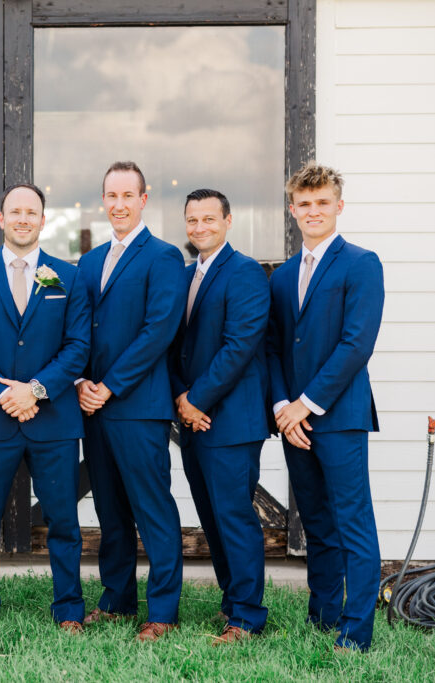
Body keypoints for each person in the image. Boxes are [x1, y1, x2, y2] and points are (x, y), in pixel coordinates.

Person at [0, 183, 89, 633]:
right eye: (16, 211)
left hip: (54, 420)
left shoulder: (68, 276)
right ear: (2, 219)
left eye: (33, 211)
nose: (24, 218)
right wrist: (3, 392)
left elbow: (78, 346)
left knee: (64, 521)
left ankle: (69, 608)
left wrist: (36, 389)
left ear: (44, 220)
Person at [267, 161, 384, 653]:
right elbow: (272, 346)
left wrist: (305, 405)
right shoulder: (282, 275)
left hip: (338, 416)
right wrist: (280, 406)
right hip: (292, 422)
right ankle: (322, 615)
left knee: (352, 522)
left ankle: (356, 630)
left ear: (339, 206)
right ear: (293, 209)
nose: (313, 211)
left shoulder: (361, 263)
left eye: (322, 203)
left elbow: (356, 345)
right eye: (304, 204)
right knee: (314, 520)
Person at [76, 161, 186, 641]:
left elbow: (158, 331)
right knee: (110, 511)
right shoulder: (89, 260)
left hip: (138, 406)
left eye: (128, 195)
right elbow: (77, 329)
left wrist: (111, 384)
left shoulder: (162, 258)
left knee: (152, 509)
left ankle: (161, 611)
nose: (118, 204)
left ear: (143, 200)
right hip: (92, 407)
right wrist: (80, 381)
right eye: (111, 196)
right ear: (103, 201)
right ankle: (117, 601)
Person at [169, 189, 271, 644]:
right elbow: (173, 346)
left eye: (209, 219)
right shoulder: (187, 275)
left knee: (234, 517)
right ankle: (232, 603)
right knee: (212, 518)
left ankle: (248, 617)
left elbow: (240, 345)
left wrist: (198, 400)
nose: (199, 228)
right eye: (192, 220)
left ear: (228, 221)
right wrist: (179, 398)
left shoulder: (246, 272)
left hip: (231, 421)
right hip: (193, 419)